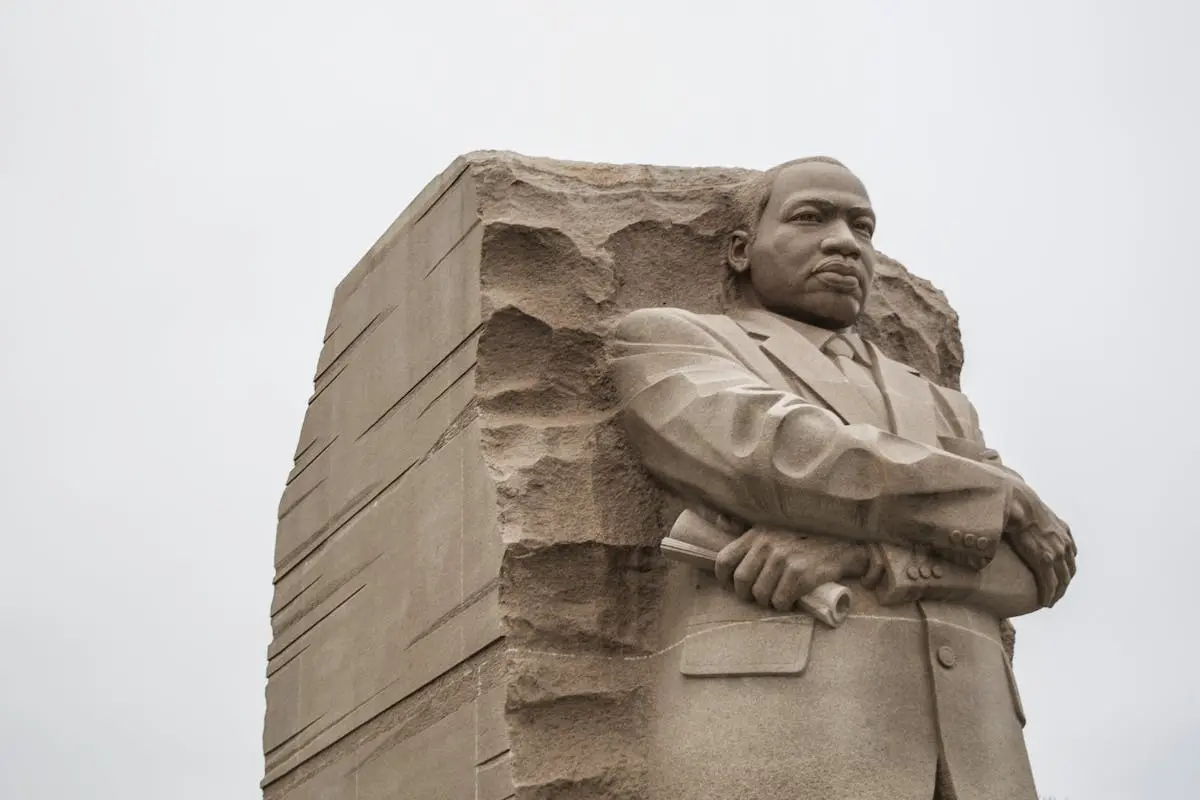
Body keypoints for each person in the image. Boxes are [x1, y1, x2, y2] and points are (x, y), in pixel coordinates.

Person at [609, 156, 1076, 800]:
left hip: (981, 756)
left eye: (863, 226)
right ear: (742, 250)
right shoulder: (670, 341)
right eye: (810, 217)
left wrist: (862, 555)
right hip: (790, 733)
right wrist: (1002, 494)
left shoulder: (942, 404)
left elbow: (1034, 572)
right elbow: (778, 455)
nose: (843, 241)